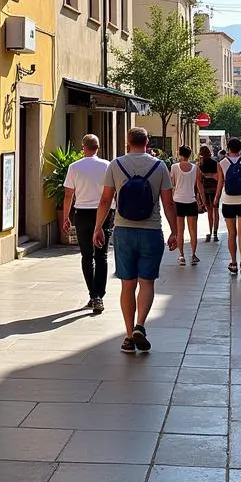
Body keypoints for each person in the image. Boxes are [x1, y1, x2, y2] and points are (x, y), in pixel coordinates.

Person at [94, 126, 177, 354]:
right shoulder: (159, 166)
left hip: (123, 231)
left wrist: (97, 228)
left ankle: (129, 336)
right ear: (147, 142)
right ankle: (141, 325)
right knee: (147, 283)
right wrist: (175, 231)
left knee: (127, 285)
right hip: (151, 231)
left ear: (127, 142)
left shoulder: (115, 164)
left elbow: (105, 200)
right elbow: (168, 203)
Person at [62, 134, 111, 313]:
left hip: (82, 213)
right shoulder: (107, 166)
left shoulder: (74, 167)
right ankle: (99, 294)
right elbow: (113, 192)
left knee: (86, 255)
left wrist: (65, 218)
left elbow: (69, 195)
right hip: (104, 213)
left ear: (83, 147)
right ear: (98, 147)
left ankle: (93, 295)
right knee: (102, 255)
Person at [215, 137, 241, 277]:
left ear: (228, 148)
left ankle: (233, 263)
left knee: (232, 234)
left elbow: (220, 182)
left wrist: (216, 197)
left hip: (228, 201)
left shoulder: (222, 163)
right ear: (240, 148)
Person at [171, 145, 203, 266]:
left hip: (178, 200)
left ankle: (181, 255)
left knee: (180, 231)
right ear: (190, 154)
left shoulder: (174, 167)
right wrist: (202, 200)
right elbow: (199, 186)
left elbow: (172, 184)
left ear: (179, 153)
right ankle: (194, 255)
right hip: (191, 201)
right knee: (193, 230)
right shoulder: (196, 168)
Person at [198, 145, 220, 242]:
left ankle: (210, 231)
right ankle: (215, 232)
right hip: (214, 189)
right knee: (216, 211)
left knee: (209, 212)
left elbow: (199, 181)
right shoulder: (215, 163)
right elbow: (219, 177)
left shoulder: (200, 165)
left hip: (205, 190)